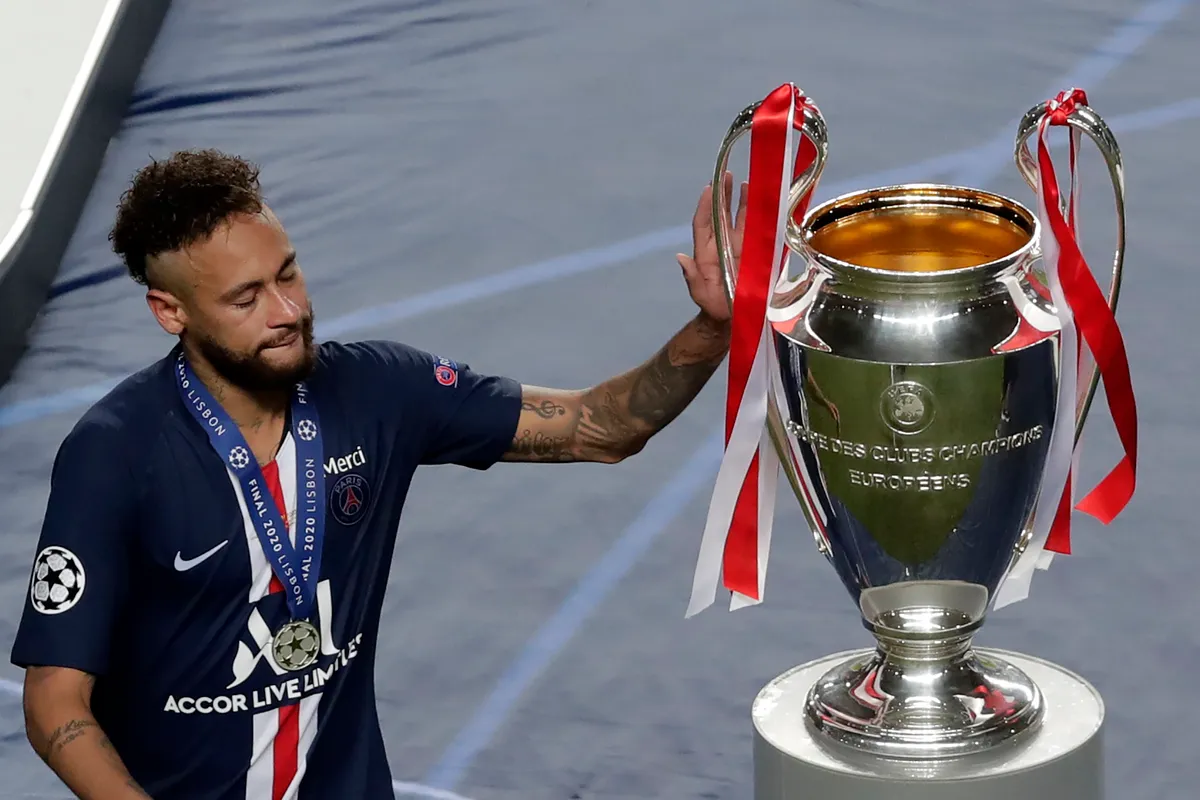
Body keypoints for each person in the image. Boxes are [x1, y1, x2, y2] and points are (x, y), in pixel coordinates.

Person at [10, 149, 747, 799]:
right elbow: (54, 702)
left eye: (288, 272)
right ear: (170, 312)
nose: (287, 311)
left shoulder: (379, 393)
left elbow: (602, 427)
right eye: (246, 298)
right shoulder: (116, 453)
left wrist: (715, 325)